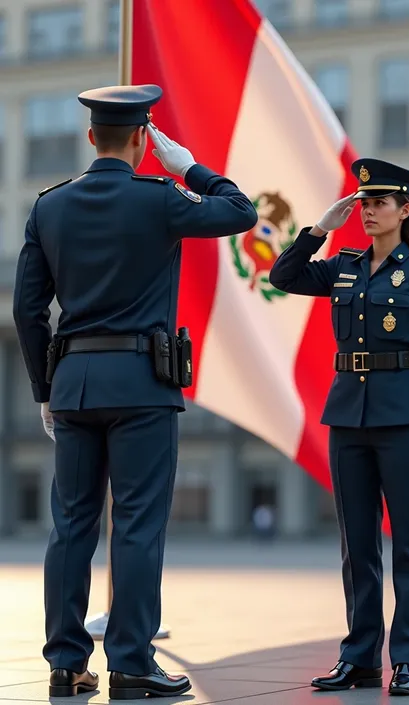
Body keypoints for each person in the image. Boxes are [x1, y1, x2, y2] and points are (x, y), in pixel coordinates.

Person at [12, 84, 257, 700]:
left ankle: (66, 665)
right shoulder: (161, 198)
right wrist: (188, 167)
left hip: (72, 386)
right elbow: (241, 211)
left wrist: (46, 385)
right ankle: (131, 664)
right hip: (144, 387)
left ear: (90, 137)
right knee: (138, 528)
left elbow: (27, 310)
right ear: (144, 142)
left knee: (69, 527)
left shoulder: (49, 207)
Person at [269, 158, 409, 697]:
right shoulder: (343, 266)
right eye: (364, 202)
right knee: (357, 545)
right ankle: (359, 658)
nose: (369, 211)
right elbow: (283, 276)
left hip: (406, 419)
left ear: (405, 209)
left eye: (380, 203)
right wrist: (318, 230)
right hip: (347, 416)